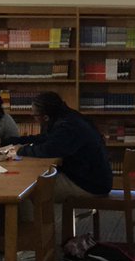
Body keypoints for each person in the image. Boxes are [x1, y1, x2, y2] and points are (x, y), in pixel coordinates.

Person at [7, 92, 114, 220]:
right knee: (31, 182)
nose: (33, 117)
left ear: (45, 117)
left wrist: (20, 151)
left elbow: (48, 150)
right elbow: (45, 139)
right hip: (90, 178)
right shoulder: (69, 117)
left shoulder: (68, 127)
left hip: (89, 184)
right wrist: (10, 142)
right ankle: (32, 229)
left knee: (25, 189)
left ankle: (28, 232)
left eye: (35, 115)